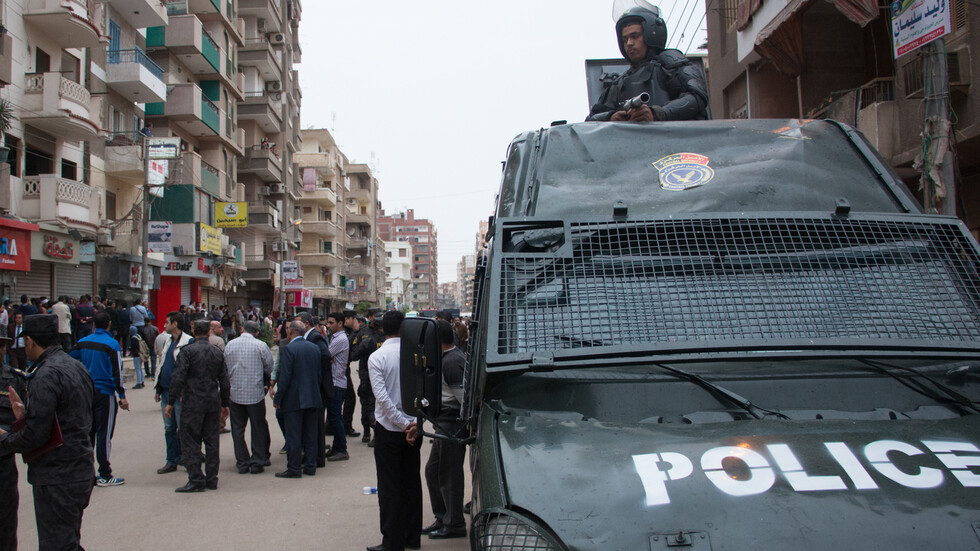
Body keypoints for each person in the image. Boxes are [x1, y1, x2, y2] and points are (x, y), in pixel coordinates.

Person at [0, 314, 95, 551]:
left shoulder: (45, 374)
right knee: (68, 542)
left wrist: (6, 440)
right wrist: (24, 417)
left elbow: (36, 434)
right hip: (78, 469)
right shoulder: (75, 366)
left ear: (30, 341)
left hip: (57, 476)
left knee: (58, 545)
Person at [586, 1, 709, 122]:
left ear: (651, 34)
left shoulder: (670, 63)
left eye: (635, 36)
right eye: (625, 39)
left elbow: (696, 97)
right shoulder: (619, 83)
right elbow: (591, 120)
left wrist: (658, 114)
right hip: (630, 141)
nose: (629, 43)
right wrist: (611, 117)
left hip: (675, 139)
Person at [367, 311, 422, 551]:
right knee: (411, 483)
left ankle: (392, 542)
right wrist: (413, 424)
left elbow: (382, 398)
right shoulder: (417, 356)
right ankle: (412, 538)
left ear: (382, 329)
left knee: (389, 486)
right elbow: (424, 393)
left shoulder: (377, 357)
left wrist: (401, 423)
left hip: (390, 429)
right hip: (414, 429)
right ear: (404, 329)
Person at [165, 320, 230, 492]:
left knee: (190, 441)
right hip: (211, 401)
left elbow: (177, 377)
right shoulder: (216, 352)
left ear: (194, 332)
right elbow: (224, 380)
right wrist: (225, 403)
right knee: (212, 440)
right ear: (209, 333)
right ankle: (212, 478)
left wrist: (171, 402)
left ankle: (195, 478)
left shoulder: (187, 352)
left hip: (192, 401)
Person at [69, 311, 129, 487]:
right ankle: (105, 474)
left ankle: (86, 474)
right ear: (109, 324)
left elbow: (68, 359)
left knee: (89, 433)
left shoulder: (83, 342)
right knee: (104, 434)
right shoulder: (112, 345)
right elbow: (117, 372)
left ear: (94, 324)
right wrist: (122, 395)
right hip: (105, 393)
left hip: (87, 393)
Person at [422, 321, 468, 540]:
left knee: (449, 476)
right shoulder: (447, 358)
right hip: (443, 424)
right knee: (433, 472)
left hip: (451, 426)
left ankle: (454, 524)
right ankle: (443, 517)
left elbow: (465, 402)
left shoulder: (452, 361)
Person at [273, 320, 323, 478]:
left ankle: (294, 468)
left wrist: (278, 398)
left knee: (293, 435)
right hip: (313, 397)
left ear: (290, 332)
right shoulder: (314, 348)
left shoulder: (289, 349)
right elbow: (318, 374)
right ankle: (310, 466)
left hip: (294, 399)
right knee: (310, 434)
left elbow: (286, 376)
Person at [225, 320, 273, 474]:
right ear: (257, 332)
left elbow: (224, 368)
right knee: (258, 427)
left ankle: (242, 462)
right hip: (255, 394)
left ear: (241, 329)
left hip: (235, 392)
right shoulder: (260, 346)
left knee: (237, 429)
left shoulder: (230, 345)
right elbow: (269, 367)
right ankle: (258, 461)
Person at [154, 311, 193, 475]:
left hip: (180, 393)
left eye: (167, 322)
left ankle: (189, 460)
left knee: (183, 429)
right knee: (169, 428)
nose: (164, 325)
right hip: (166, 391)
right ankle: (172, 460)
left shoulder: (188, 342)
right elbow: (161, 364)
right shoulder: (168, 341)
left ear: (175, 324)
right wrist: (158, 387)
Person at [294, 312, 331, 467]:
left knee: (316, 424)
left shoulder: (315, 337)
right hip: (314, 386)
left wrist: (315, 375)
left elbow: (325, 356)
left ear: (306, 324)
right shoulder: (309, 337)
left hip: (319, 387)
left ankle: (318, 457)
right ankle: (313, 454)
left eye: (297, 323)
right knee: (312, 424)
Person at [0, 335, 24, 551]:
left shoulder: (15, 379)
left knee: (6, 528)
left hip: (3, 466)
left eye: (2, 344)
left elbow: (28, 423)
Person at [352, 308, 384, 445]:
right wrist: (362, 347)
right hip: (366, 373)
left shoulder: (386, 332)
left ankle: (379, 434)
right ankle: (367, 431)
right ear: (369, 317)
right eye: (375, 317)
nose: (377, 320)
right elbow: (352, 355)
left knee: (379, 404)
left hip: (383, 373)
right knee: (366, 403)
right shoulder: (363, 332)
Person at [325, 312, 350, 461]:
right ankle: (336, 447)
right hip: (335, 382)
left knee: (335, 417)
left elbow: (326, 356)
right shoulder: (335, 338)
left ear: (340, 324)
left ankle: (342, 449)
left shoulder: (340, 339)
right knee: (333, 417)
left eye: (331, 323)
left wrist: (330, 358)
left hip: (337, 383)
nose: (328, 326)